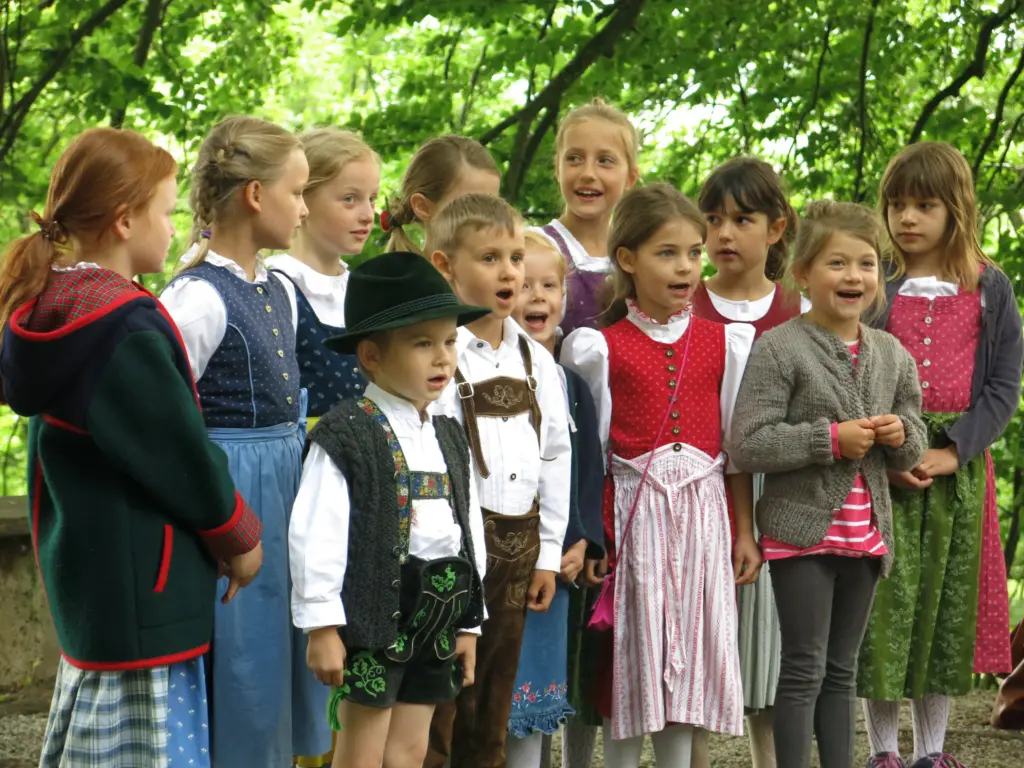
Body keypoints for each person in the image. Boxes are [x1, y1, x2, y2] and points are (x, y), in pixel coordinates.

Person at [0, 127, 263, 767]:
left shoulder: (58, 307)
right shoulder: (121, 326)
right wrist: (239, 537)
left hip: (99, 592)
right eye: (167, 212)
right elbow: (180, 456)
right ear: (124, 221)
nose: (174, 229)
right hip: (146, 596)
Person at [563, 183, 760, 768]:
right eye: (667, 253)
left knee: (691, 664)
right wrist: (595, 535)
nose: (687, 266)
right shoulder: (599, 347)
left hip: (702, 520)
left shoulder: (728, 342)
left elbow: (736, 451)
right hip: (634, 518)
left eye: (695, 252)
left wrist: (743, 531)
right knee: (634, 660)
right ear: (627, 259)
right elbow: (591, 456)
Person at [731, 199, 928, 768]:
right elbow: (748, 442)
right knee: (804, 667)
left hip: (866, 538)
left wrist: (900, 435)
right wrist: (828, 440)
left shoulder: (891, 354)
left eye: (866, 264)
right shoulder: (780, 348)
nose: (854, 277)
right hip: (803, 534)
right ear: (803, 275)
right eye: (837, 264)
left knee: (842, 671)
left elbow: (913, 440)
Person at [161, 115, 331, 766]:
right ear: (256, 196)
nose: (305, 207)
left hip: (285, 488)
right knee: (242, 668)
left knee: (281, 667)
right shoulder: (196, 299)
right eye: (297, 191)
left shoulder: (279, 289)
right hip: (234, 493)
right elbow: (165, 420)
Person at [288, 250, 491, 768]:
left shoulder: (447, 433)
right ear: (372, 356)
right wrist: (321, 627)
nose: (443, 357)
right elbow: (318, 534)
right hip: (373, 623)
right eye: (422, 343)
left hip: (438, 618)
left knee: (410, 750)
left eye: (449, 341)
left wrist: (470, 623)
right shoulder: (347, 433)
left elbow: (468, 534)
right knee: (362, 750)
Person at [857, 142, 1023, 768]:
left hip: (959, 473)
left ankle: (931, 750)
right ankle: (884, 750)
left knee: (942, 605)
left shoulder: (990, 287)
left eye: (924, 204)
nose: (907, 218)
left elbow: (1004, 383)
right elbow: (858, 370)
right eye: (897, 204)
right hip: (886, 464)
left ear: (955, 208)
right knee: (887, 604)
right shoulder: (879, 287)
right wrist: (890, 453)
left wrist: (955, 450)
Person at [424, 194, 572, 768]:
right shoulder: (439, 355)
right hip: (450, 557)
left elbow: (556, 457)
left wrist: (548, 553)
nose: (509, 271)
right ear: (445, 266)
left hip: (517, 553)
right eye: (490, 258)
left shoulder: (538, 362)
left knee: (493, 705)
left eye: (514, 257)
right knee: (440, 705)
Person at [690, 156, 806, 768]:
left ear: (777, 227)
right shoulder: (686, 302)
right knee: (708, 631)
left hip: (782, 489)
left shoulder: (798, 310)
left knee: (777, 639)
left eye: (742, 219)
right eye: (713, 220)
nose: (724, 234)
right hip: (702, 486)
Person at [505, 231, 606, 768]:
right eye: (524, 286)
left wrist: (585, 537)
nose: (537, 296)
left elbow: (589, 469)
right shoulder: (478, 373)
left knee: (542, 684)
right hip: (499, 556)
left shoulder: (571, 385)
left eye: (550, 285)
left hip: (557, 560)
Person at [267, 128, 382, 429]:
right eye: (349, 199)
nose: (368, 214)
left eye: (372, 199)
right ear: (303, 197)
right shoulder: (277, 287)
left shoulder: (363, 292)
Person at [532, 98, 640, 343]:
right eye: (574, 158)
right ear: (557, 169)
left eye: (605, 161)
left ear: (630, 177)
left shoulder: (640, 256)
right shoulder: (536, 247)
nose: (588, 173)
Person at [382, 135, 500, 254]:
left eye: (494, 208)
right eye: (470, 207)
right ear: (422, 207)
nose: (488, 221)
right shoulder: (404, 271)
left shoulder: (507, 270)